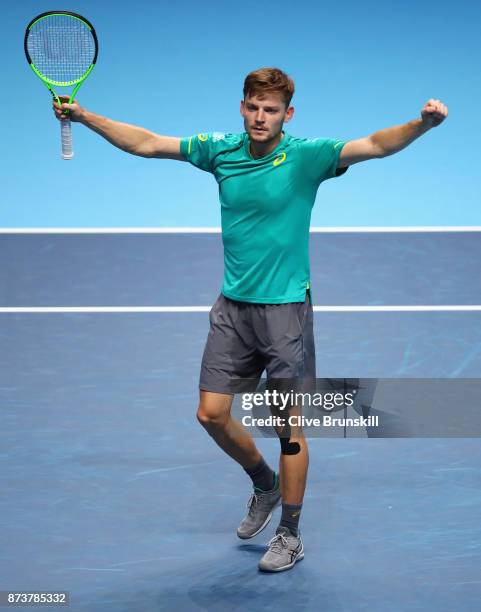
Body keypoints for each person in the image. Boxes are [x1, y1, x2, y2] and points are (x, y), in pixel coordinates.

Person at [53, 67, 448, 572]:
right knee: (211, 414)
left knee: (289, 428)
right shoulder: (220, 150)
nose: (261, 117)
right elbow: (148, 144)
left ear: (288, 114)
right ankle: (264, 483)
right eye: (254, 107)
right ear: (242, 107)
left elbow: (372, 144)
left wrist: (421, 125)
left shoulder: (307, 156)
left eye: (272, 110)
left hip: (284, 312)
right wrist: (83, 116)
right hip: (233, 309)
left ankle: (290, 532)